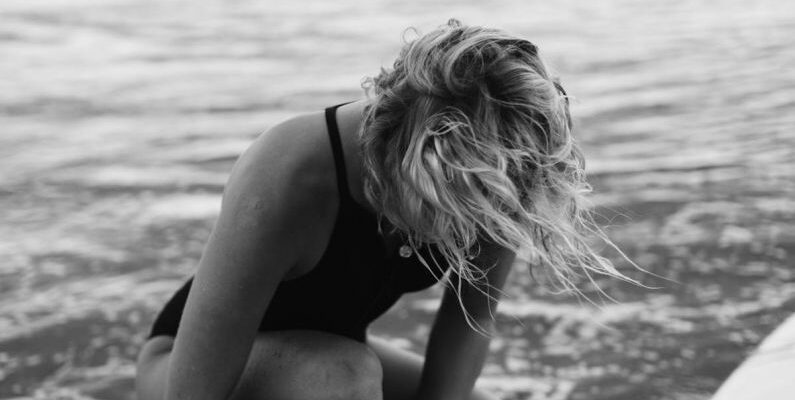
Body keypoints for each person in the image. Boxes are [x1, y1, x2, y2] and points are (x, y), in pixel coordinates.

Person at [135, 19, 629, 400]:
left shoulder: (497, 170)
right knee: (344, 377)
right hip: (185, 367)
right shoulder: (290, 172)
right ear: (411, 159)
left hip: (336, 354)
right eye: (446, 210)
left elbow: (470, 321)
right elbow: (191, 394)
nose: (463, 230)